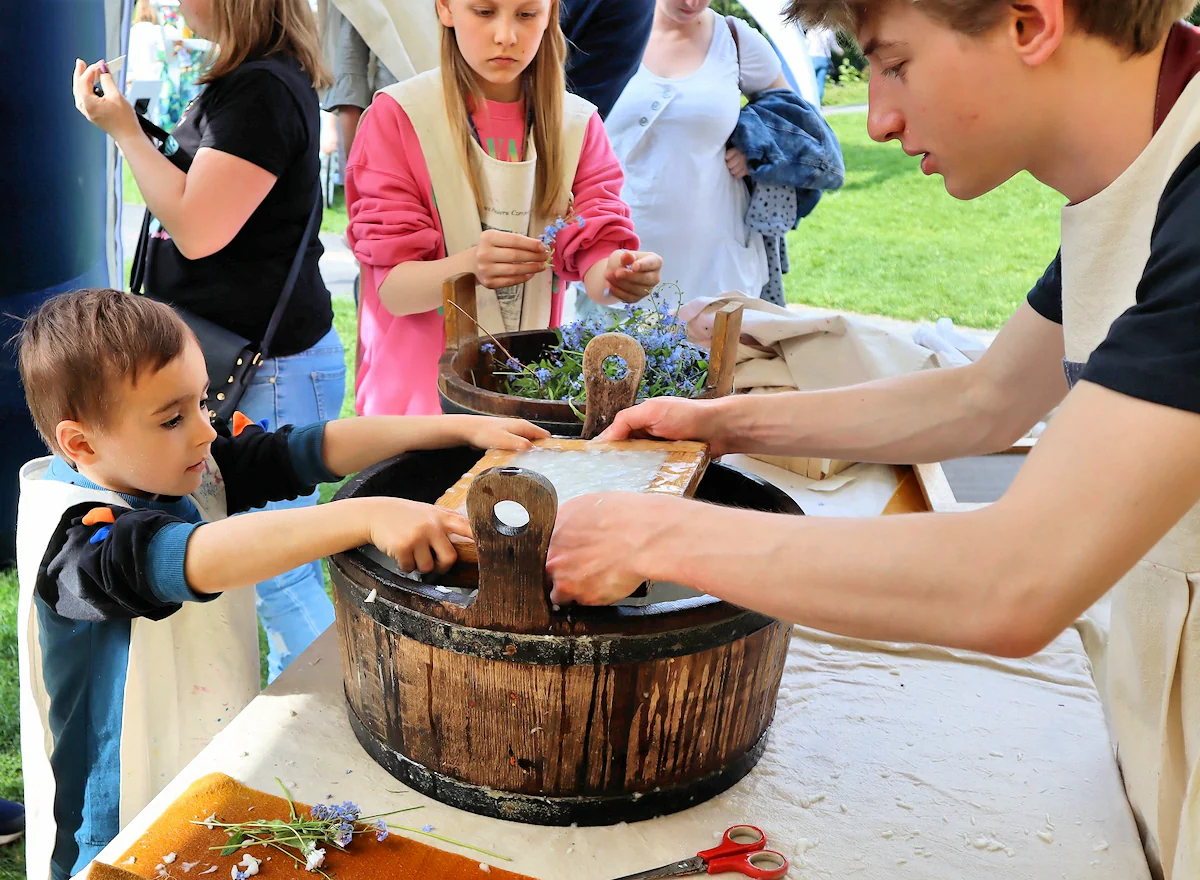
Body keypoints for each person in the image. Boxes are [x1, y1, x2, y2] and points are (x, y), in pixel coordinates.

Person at [545, 3, 1200, 878]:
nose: (881, 120)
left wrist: (654, 531)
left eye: (894, 64)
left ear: (1030, 23)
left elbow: (1016, 579)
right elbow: (984, 399)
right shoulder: (1141, 167)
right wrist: (721, 422)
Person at [14, 289, 546, 880]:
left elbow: (304, 449)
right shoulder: (74, 539)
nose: (204, 432)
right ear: (80, 443)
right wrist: (363, 517)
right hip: (111, 814)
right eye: (172, 417)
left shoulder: (178, 460)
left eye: (200, 401)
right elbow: (189, 558)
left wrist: (450, 431)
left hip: (205, 759)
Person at [73, 0, 348, 682]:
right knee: (277, 567)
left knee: (278, 571)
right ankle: (312, 699)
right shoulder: (258, 79)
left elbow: (199, 227)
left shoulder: (259, 86)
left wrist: (123, 134)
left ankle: (330, 704)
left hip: (269, 364)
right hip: (261, 356)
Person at [344, 0, 663, 417]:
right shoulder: (399, 117)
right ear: (445, 8)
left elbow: (597, 262)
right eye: (484, 11)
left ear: (550, 14)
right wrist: (470, 265)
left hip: (520, 404)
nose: (506, 36)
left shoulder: (577, 125)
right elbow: (394, 291)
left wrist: (620, 273)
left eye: (527, 15)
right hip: (415, 411)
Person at [604, 0, 790, 306]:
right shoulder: (607, 33)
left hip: (715, 260)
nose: (692, 3)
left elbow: (788, 117)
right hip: (619, 257)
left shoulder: (735, 39)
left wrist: (755, 145)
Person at [804, 23, 842, 102]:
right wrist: (840, 51)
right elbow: (834, 45)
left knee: (810, 81)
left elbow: (807, 44)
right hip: (824, 59)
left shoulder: (812, 31)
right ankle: (818, 102)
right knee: (820, 82)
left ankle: (810, 101)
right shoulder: (829, 31)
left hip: (812, 58)